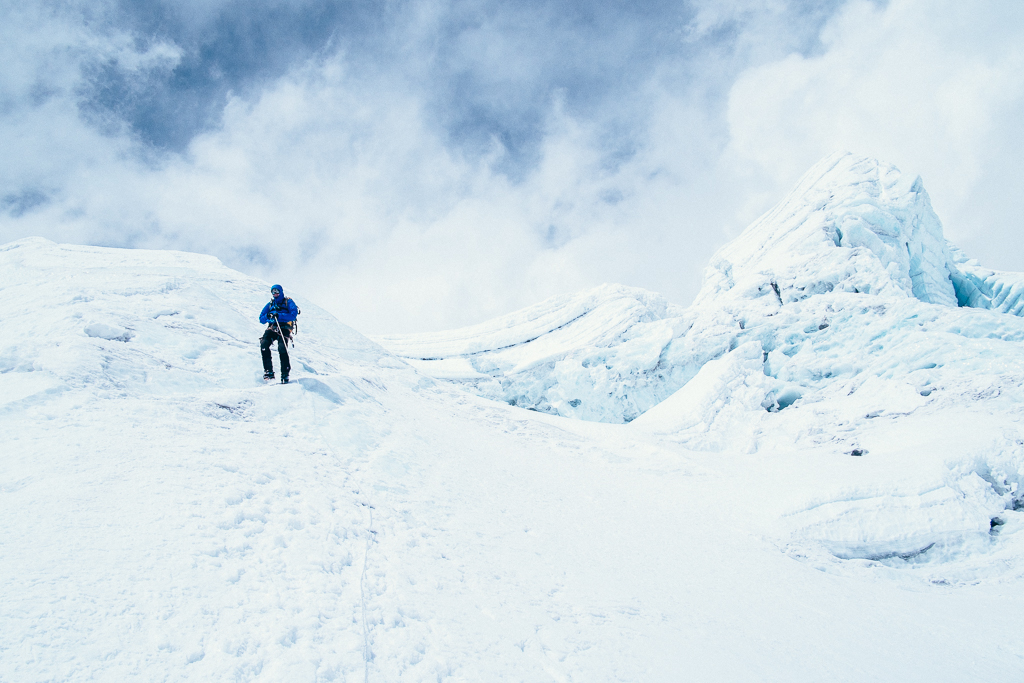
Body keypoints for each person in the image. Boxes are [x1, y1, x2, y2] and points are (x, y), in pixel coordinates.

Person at [259, 284, 299, 383]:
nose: (275, 294)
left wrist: (279, 315)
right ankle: (269, 371)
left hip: (284, 328)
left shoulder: (288, 302)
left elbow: (293, 315)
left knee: (282, 347)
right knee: (264, 344)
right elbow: (261, 318)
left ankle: (285, 373)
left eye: (277, 292)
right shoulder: (270, 304)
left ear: (280, 292)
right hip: (272, 327)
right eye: (273, 292)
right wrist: (269, 316)